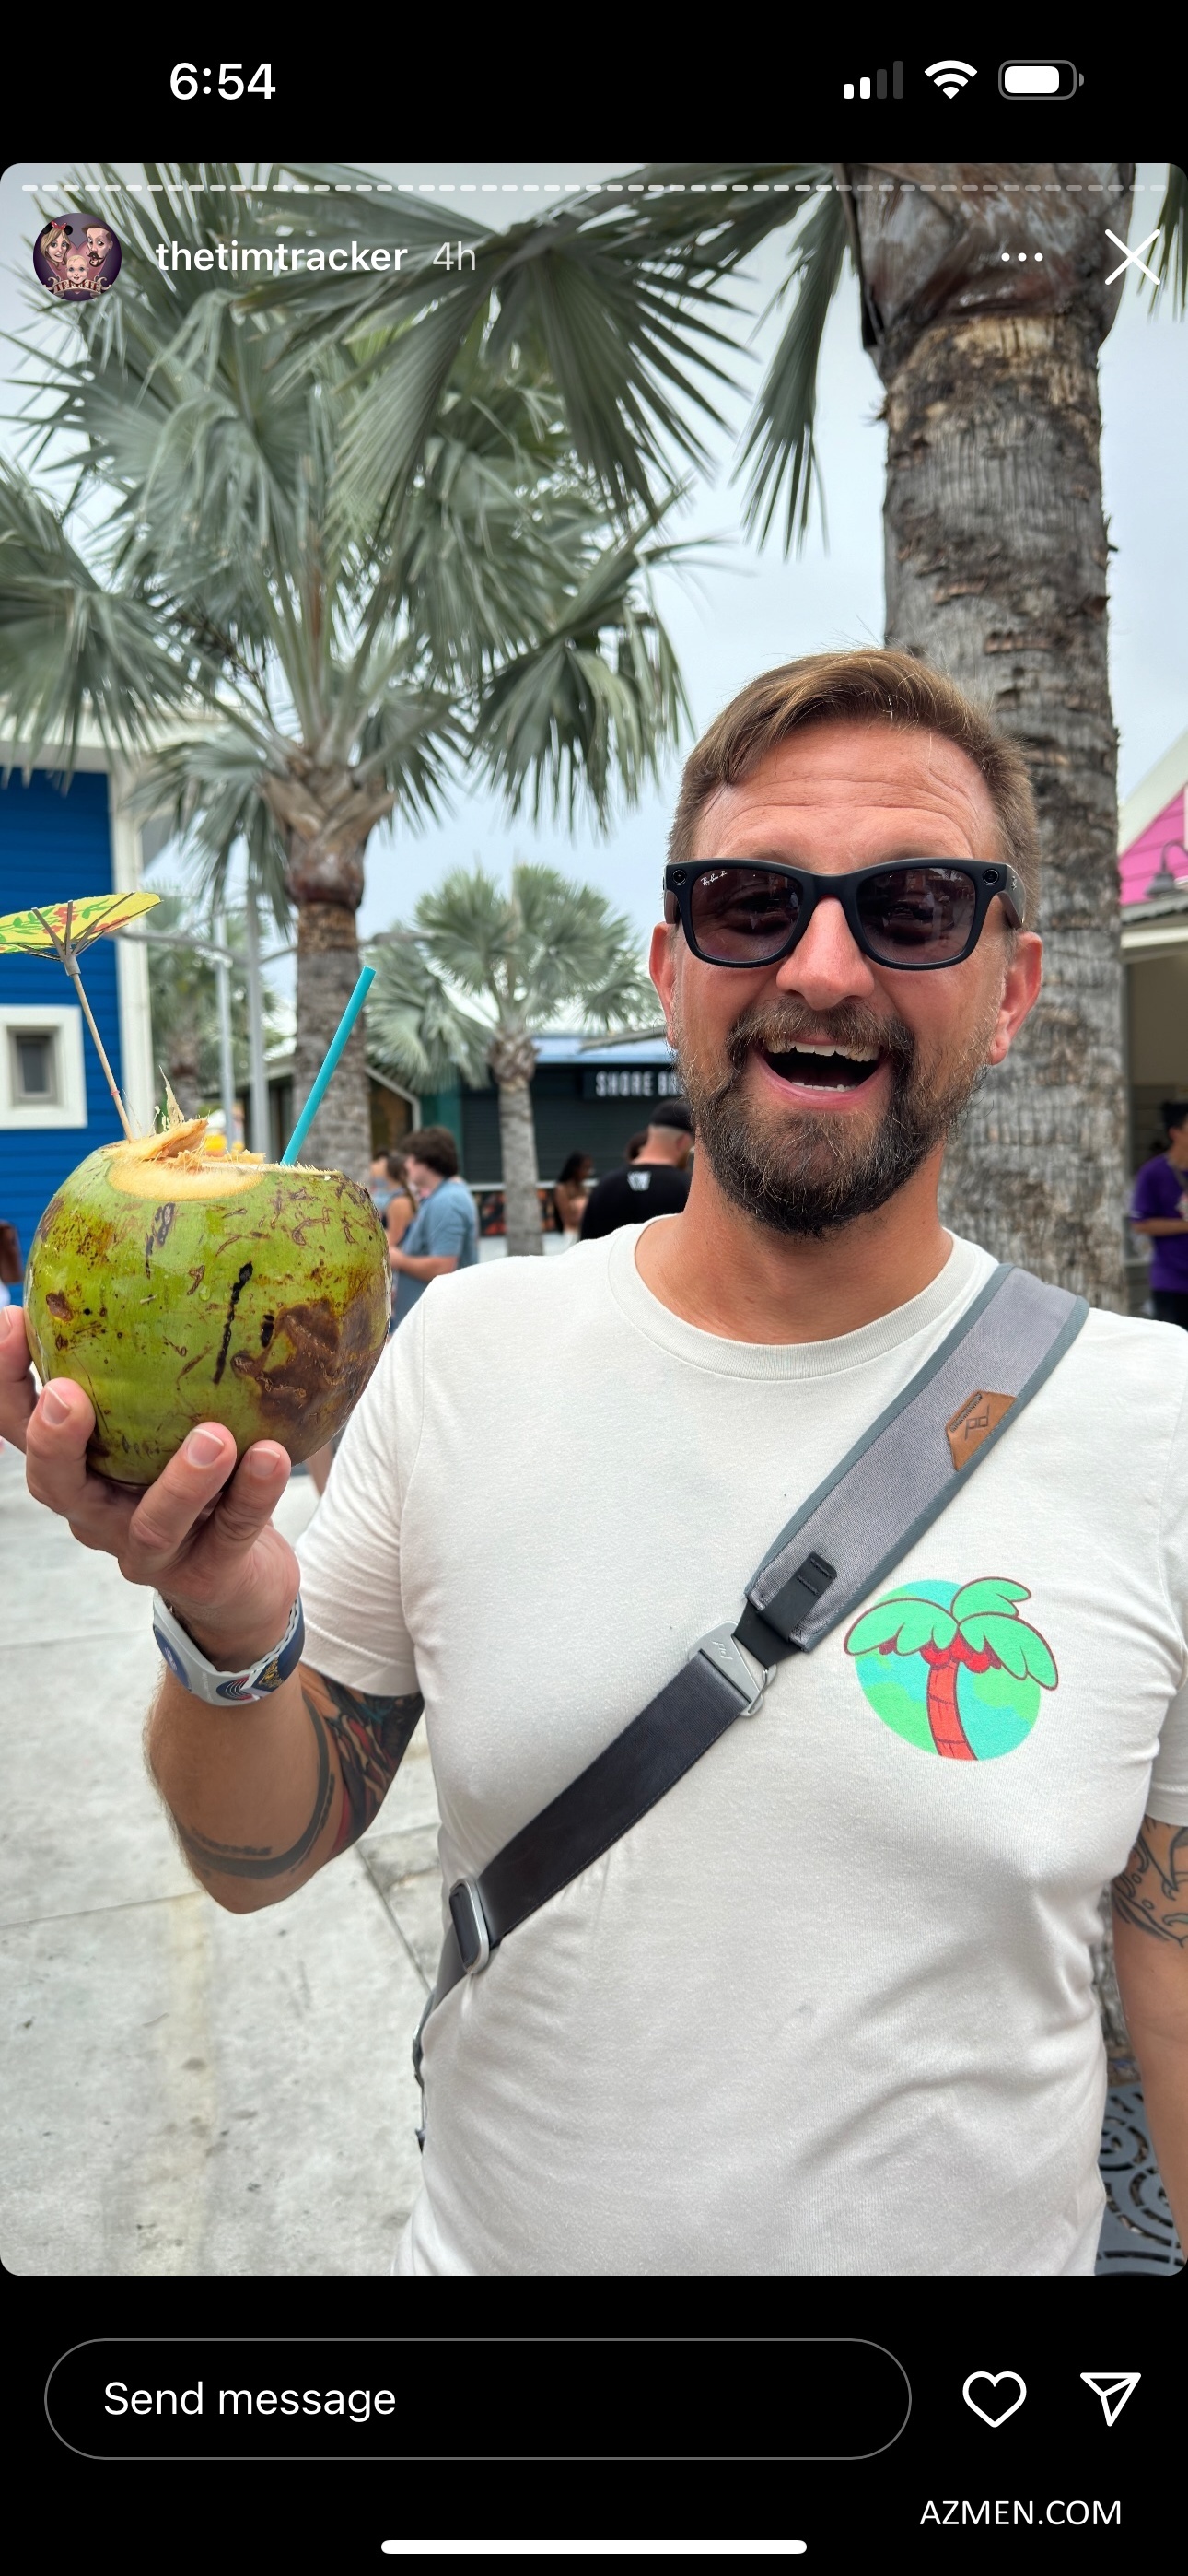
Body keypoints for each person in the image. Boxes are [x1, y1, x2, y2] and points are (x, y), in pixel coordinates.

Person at [5, 646, 1187, 2281]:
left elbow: (1173, 1978)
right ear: (667, 965)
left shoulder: (1157, 1430)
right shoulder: (465, 1359)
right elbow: (257, 1855)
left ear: (1012, 986)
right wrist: (224, 1621)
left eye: (912, 907)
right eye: (750, 903)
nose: (822, 966)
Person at [387, 1127, 477, 1327]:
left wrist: (400, 1260)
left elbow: (443, 1267)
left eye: (411, 1158)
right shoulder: (442, 1196)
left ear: (426, 1161)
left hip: (437, 1324)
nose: (406, 1165)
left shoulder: (448, 1201)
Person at [578, 1100, 693, 1238]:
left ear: (650, 1132)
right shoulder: (688, 1188)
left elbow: (585, 1246)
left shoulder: (605, 1186)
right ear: (683, 1141)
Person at [1130, 1099, 1188, 1329]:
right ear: (1175, 1133)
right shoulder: (1153, 1173)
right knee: (1176, 1347)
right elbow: (1140, 1223)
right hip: (1172, 1282)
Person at [552, 1152, 593, 1243]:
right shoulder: (562, 1189)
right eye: (585, 1168)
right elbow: (569, 1218)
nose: (588, 1173)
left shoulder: (585, 1189)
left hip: (587, 1235)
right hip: (572, 1236)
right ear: (575, 1169)